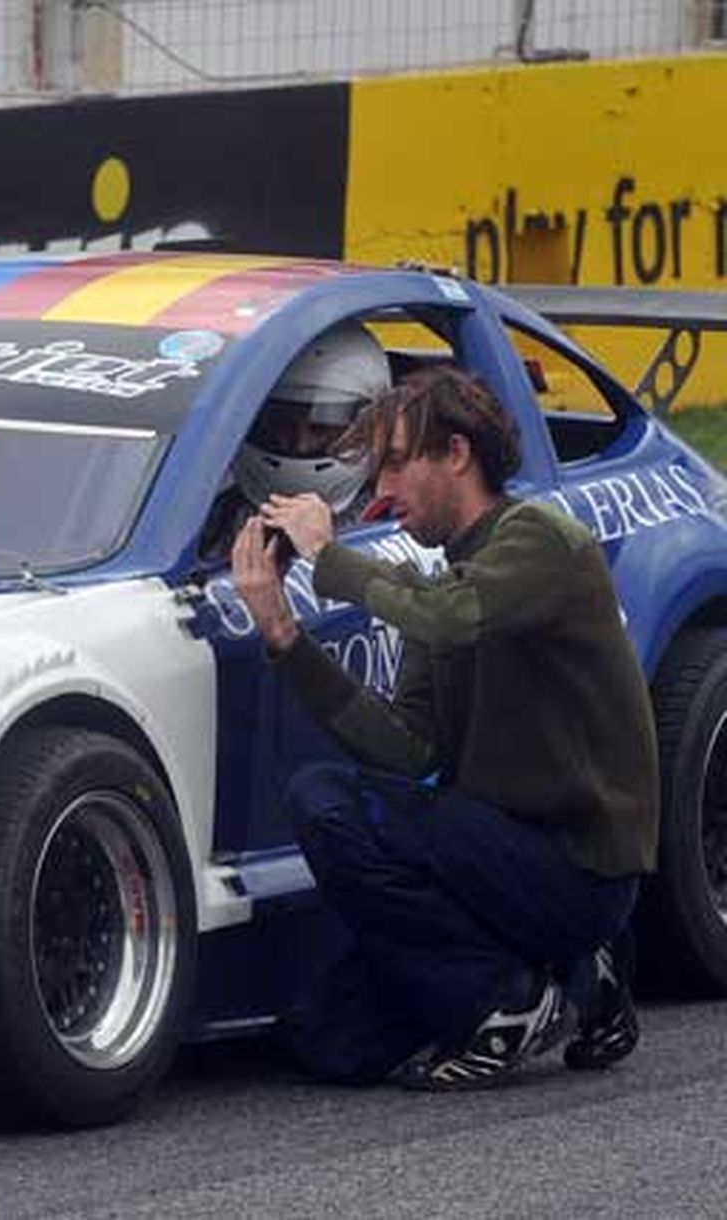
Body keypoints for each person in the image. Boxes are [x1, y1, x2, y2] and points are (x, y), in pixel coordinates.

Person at [230, 364, 658, 1090]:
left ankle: (512, 996)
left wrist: (327, 558)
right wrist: (282, 635)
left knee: (323, 800)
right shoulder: (442, 578)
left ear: (456, 454)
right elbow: (408, 749)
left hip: (576, 867)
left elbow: (448, 616)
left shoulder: (540, 541)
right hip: (491, 858)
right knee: (326, 1043)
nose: (382, 491)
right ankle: (580, 980)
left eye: (395, 463)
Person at [199, 320, 390, 560]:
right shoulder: (215, 515)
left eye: (321, 429)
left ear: (372, 427)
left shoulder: (397, 518)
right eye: (281, 425)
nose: (301, 443)